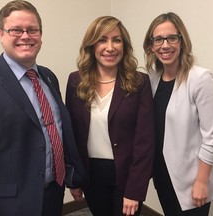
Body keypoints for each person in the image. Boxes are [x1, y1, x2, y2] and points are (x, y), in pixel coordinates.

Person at [0, 1, 85, 216]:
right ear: (0, 34)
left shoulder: (48, 77)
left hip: (53, 193)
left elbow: (57, 131)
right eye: (16, 30)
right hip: (12, 205)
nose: (25, 36)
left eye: (32, 30)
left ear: (40, 35)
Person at [65, 16, 155, 216]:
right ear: (92, 45)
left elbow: (145, 141)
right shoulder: (75, 81)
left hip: (126, 174)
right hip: (91, 173)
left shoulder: (139, 82)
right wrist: (74, 178)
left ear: (124, 45)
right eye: (102, 40)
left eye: (117, 40)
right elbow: (71, 135)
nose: (110, 47)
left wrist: (135, 190)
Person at [143, 12, 213, 216]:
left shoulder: (200, 79)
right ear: (151, 45)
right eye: (158, 39)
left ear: (182, 40)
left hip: (192, 179)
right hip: (163, 175)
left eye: (172, 37)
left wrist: (202, 182)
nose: (165, 45)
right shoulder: (152, 79)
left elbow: (212, 138)